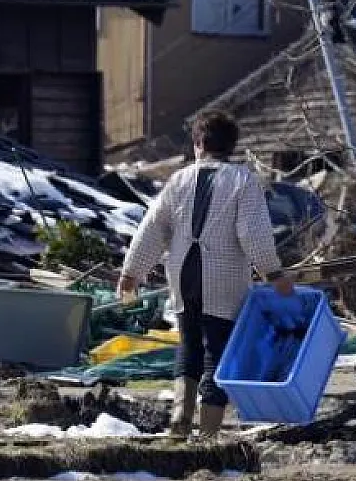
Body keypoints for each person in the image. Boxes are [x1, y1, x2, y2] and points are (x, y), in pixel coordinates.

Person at [117, 111, 293, 438]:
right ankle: (208, 434)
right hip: (223, 279)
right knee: (219, 351)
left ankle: (179, 421)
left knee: (190, 345)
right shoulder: (242, 180)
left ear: (199, 143)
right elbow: (252, 233)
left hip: (182, 275)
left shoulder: (179, 179)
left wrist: (131, 273)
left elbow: (152, 228)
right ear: (231, 146)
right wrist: (273, 272)